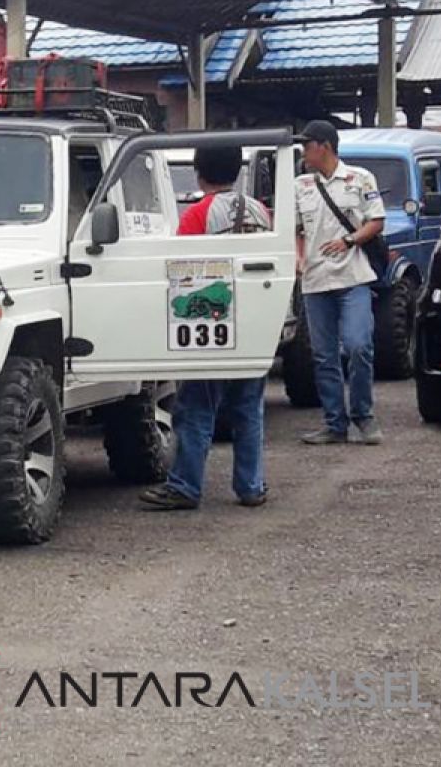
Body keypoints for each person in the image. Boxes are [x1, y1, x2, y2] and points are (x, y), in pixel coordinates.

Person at [140, 146, 273, 511]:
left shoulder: (198, 214)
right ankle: (251, 485)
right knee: (248, 408)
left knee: (197, 407)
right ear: (236, 171)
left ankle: (185, 485)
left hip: (212, 324)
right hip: (254, 322)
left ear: (199, 173)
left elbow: (182, 269)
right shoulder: (260, 211)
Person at [294, 120, 386, 446]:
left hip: (354, 276)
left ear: (325, 146)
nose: (304, 152)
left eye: (307, 145)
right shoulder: (300, 185)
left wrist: (349, 240)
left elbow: (376, 220)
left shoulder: (359, 179)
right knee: (323, 355)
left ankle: (363, 414)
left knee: (359, 345)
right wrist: (299, 259)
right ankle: (334, 423)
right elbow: (295, 230)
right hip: (316, 282)